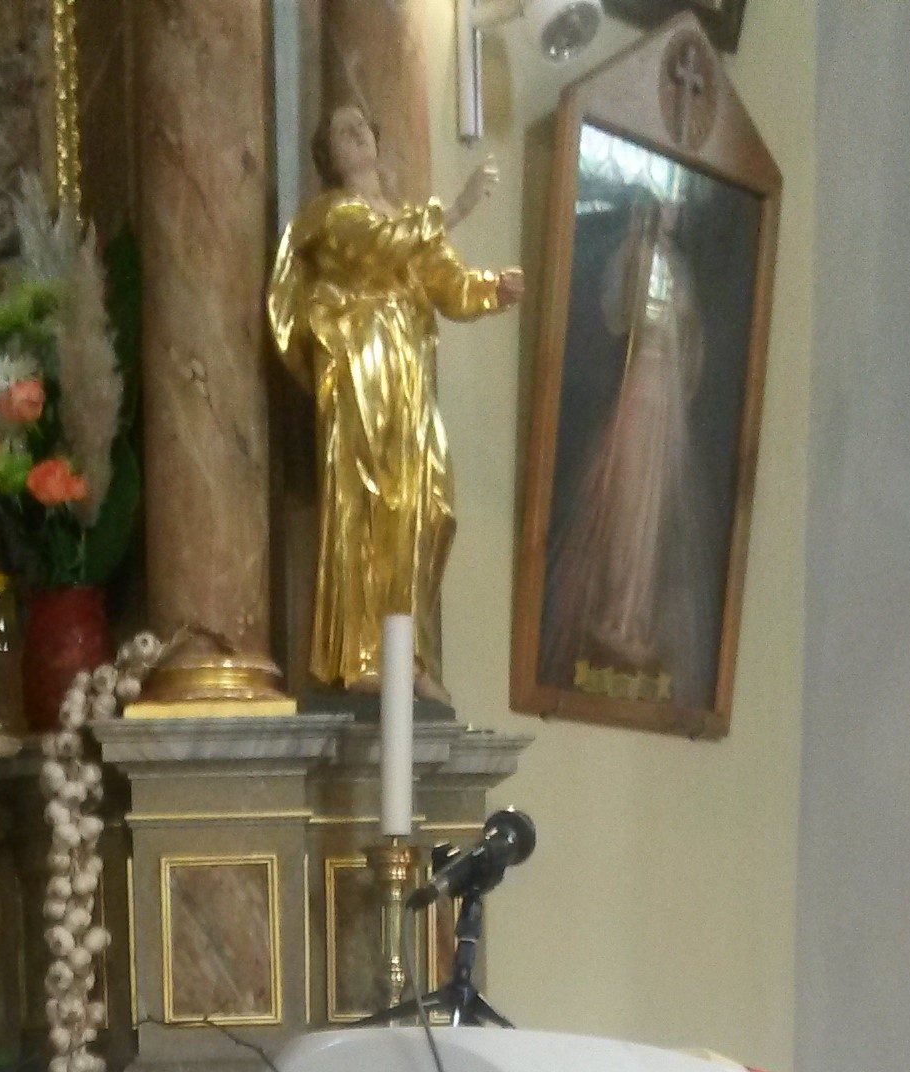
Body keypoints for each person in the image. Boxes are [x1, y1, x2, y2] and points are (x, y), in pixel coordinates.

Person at [269, 104, 521, 698]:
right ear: (328, 158)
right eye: (342, 130)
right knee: (368, 501)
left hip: (408, 373)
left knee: (429, 503)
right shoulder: (331, 215)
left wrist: (494, 288)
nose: (358, 132)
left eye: (363, 124)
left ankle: (409, 654)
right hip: (360, 367)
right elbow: (378, 247)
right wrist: (454, 210)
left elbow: (447, 285)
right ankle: (363, 656)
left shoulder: (408, 220)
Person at [542, 191, 712, 708]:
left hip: (666, 403)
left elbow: (689, 339)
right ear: (652, 208)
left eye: (679, 205)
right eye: (668, 204)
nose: (675, 213)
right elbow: (619, 318)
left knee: (652, 515)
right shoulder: (637, 255)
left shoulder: (679, 270)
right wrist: (641, 269)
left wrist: (679, 326)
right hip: (639, 388)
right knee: (627, 502)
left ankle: (635, 618)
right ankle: (616, 612)